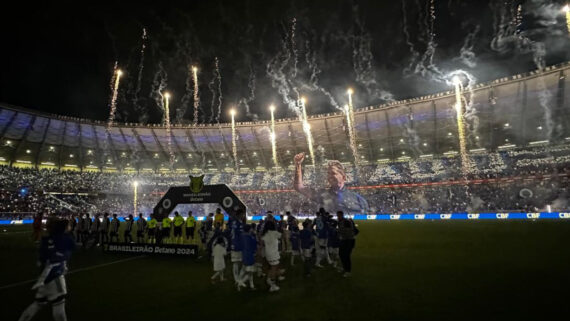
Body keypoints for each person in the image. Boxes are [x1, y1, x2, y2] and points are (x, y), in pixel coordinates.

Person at [18, 217, 75, 321]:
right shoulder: (63, 239)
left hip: (44, 278)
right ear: (63, 228)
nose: (70, 227)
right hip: (55, 277)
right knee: (59, 308)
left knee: (38, 304)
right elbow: (67, 251)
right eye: (68, 225)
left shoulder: (47, 240)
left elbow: (42, 259)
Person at [294, 153, 370, 213]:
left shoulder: (358, 199)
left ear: (344, 177)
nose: (330, 176)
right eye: (328, 173)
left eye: (333, 173)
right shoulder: (321, 194)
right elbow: (299, 187)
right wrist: (298, 165)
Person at [261, 220, 284, 292]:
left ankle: (269, 279)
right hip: (273, 254)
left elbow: (262, 243)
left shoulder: (265, 234)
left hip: (268, 254)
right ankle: (272, 285)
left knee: (272, 267)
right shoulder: (275, 233)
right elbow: (282, 235)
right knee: (274, 268)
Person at [337, 211, 358, 277]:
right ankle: (344, 268)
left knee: (346, 256)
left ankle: (348, 271)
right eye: (337, 215)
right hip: (343, 240)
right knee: (341, 254)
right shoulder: (339, 222)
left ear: (342, 215)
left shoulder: (346, 222)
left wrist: (343, 235)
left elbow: (351, 231)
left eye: (339, 215)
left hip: (349, 240)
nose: (338, 217)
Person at [228, 209, 246, 289]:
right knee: (242, 263)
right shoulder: (239, 223)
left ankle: (237, 279)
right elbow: (240, 235)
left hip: (234, 244)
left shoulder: (234, 222)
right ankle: (238, 280)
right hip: (238, 245)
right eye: (243, 214)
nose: (244, 216)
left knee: (236, 263)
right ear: (239, 214)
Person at [239, 224, 258, 290]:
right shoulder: (250, 237)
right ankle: (240, 282)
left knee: (245, 270)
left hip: (244, 254)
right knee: (250, 272)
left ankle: (251, 285)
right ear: (250, 229)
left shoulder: (242, 236)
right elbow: (254, 246)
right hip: (250, 255)